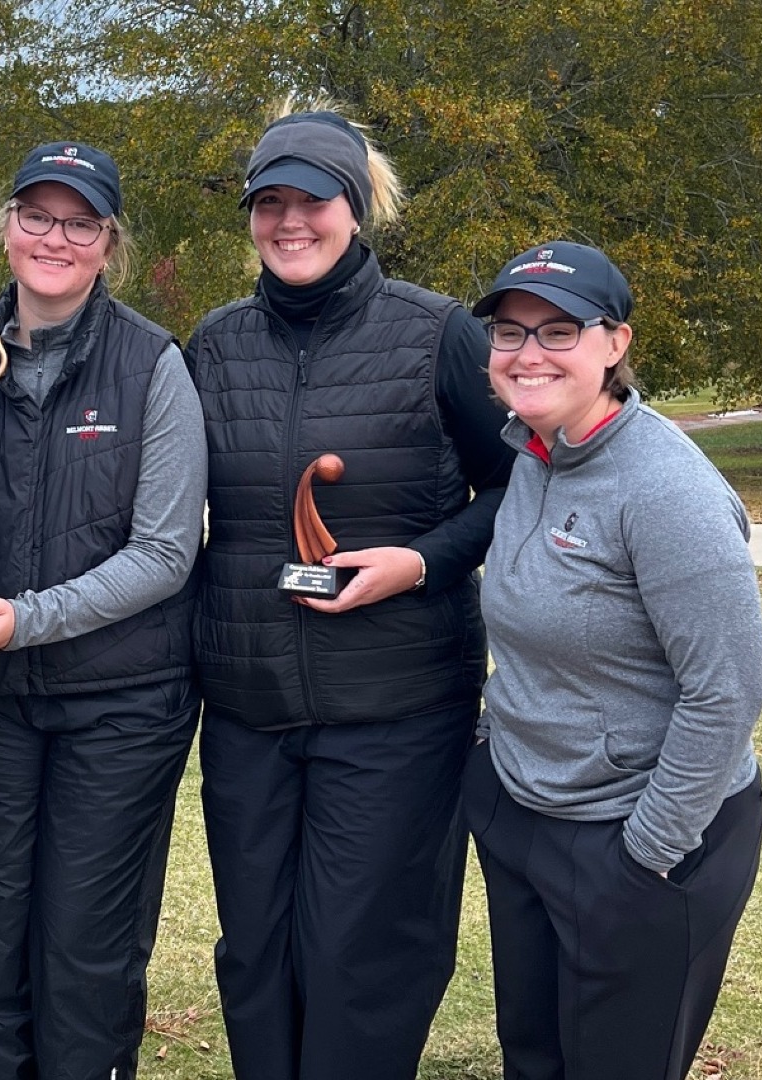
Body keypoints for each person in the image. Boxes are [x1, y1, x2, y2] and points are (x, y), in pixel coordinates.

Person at [185, 103, 515, 1080]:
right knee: (254, 954)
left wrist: (416, 561)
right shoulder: (214, 343)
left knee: (359, 956)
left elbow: (516, 486)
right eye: (268, 202)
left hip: (394, 710)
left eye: (312, 201)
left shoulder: (438, 333)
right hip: (245, 711)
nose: (289, 221)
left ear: (356, 209)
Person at [0, 141, 207, 1080]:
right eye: (36, 216)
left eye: (79, 223)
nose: (54, 238)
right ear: (6, 227)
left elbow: (164, 552)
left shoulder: (153, 363)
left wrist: (27, 619)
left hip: (121, 704)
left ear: (107, 244)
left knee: (84, 939)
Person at [465, 241, 762, 1080]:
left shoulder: (665, 489)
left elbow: (728, 691)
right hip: (525, 811)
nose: (527, 354)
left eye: (558, 331)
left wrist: (647, 853)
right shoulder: (534, 452)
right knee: (533, 1054)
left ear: (615, 344)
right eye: (509, 332)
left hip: (634, 838)